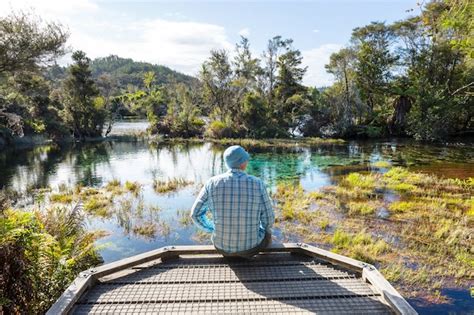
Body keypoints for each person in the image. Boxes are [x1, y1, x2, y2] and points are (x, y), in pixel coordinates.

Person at [190, 145, 275, 259]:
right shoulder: (257, 183)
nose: (247, 161)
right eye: (246, 159)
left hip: (222, 248)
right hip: (251, 248)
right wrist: (262, 229)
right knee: (267, 234)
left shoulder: (211, 183)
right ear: (242, 163)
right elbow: (269, 219)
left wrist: (212, 228)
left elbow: (195, 214)